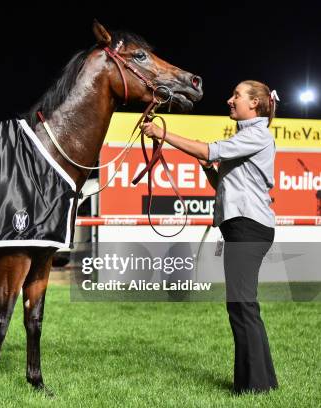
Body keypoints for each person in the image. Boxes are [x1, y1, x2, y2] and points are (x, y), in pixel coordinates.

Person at [141, 80, 279, 394]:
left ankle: (253, 387)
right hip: (245, 226)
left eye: (237, 96)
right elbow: (225, 185)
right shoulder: (249, 136)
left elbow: (208, 149)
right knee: (244, 306)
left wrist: (162, 133)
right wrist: (207, 169)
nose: (230, 100)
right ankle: (262, 382)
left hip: (247, 227)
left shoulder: (256, 134)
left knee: (241, 306)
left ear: (255, 104)